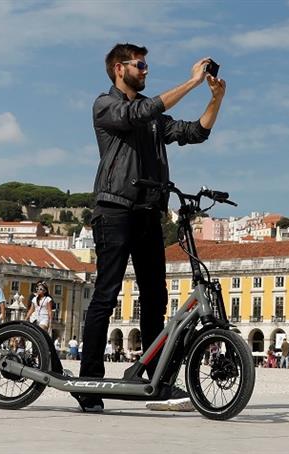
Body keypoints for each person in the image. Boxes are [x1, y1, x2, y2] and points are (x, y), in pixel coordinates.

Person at [77, 43, 226, 414]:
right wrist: (191, 82)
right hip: (114, 210)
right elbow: (141, 111)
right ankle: (88, 382)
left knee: (155, 300)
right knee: (106, 296)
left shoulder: (154, 119)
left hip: (148, 213)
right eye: (140, 65)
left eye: (146, 65)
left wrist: (215, 99)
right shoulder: (106, 105)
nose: (145, 70)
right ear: (118, 69)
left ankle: (152, 379)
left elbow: (195, 132)